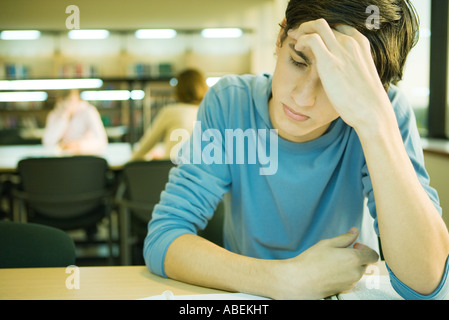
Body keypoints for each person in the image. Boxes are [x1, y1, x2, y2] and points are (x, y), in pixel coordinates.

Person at [143, 0, 449, 300]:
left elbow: (428, 282)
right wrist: (283, 280)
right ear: (280, 39)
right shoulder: (230, 103)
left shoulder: (385, 112)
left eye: (336, 81)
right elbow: (164, 237)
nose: (303, 99)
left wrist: (374, 123)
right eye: (298, 61)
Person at [130, 69, 208, 161]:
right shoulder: (210, 113)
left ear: (178, 90)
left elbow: (142, 150)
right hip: (202, 173)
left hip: (173, 172)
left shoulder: (170, 111)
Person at [42, 89, 108, 155]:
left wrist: (79, 145)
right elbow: (47, 143)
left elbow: (102, 142)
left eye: (71, 100)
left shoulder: (89, 111)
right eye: (64, 100)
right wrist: (64, 117)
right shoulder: (54, 114)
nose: (67, 104)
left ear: (78, 98)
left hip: (85, 157)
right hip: (62, 158)